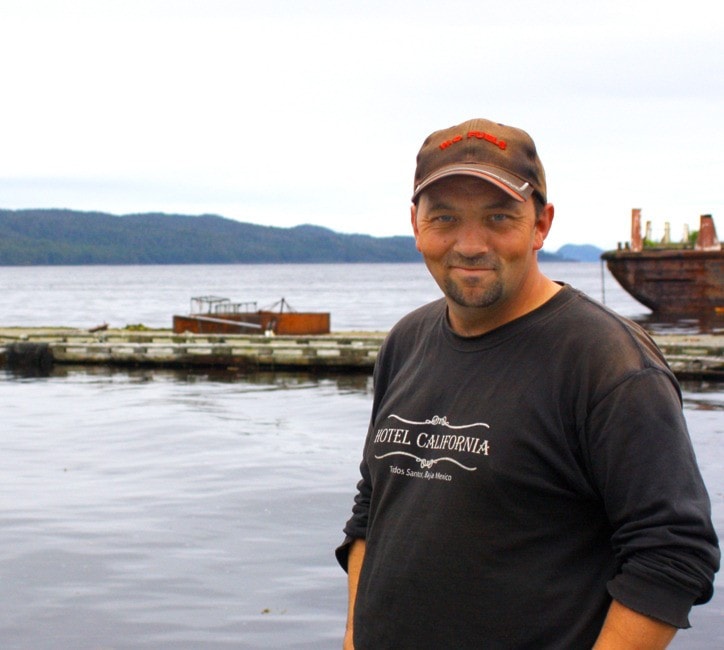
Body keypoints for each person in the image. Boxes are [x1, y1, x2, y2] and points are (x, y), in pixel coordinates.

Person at [336, 118, 720, 649]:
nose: (469, 244)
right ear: (415, 223)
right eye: (445, 217)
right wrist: (355, 635)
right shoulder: (406, 341)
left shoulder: (608, 365)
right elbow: (372, 508)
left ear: (541, 224)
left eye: (499, 217)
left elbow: (675, 554)